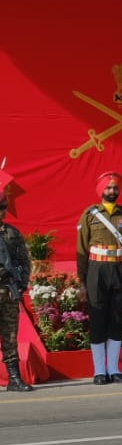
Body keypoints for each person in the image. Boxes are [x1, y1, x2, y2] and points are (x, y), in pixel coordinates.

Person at [76, 171, 122, 385]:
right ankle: (99, 371)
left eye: (115, 188)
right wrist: (82, 282)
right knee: (97, 318)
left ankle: (114, 369)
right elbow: (82, 250)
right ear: (101, 190)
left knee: (116, 318)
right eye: (108, 187)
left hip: (120, 269)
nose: (112, 191)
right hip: (97, 270)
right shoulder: (89, 214)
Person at [0, 165, 35, 391]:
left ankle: (14, 378)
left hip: (8, 292)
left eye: (3, 207)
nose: (1, 212)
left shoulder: (12, 233)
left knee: (10, 336)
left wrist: (21, 284)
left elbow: (24, 261)